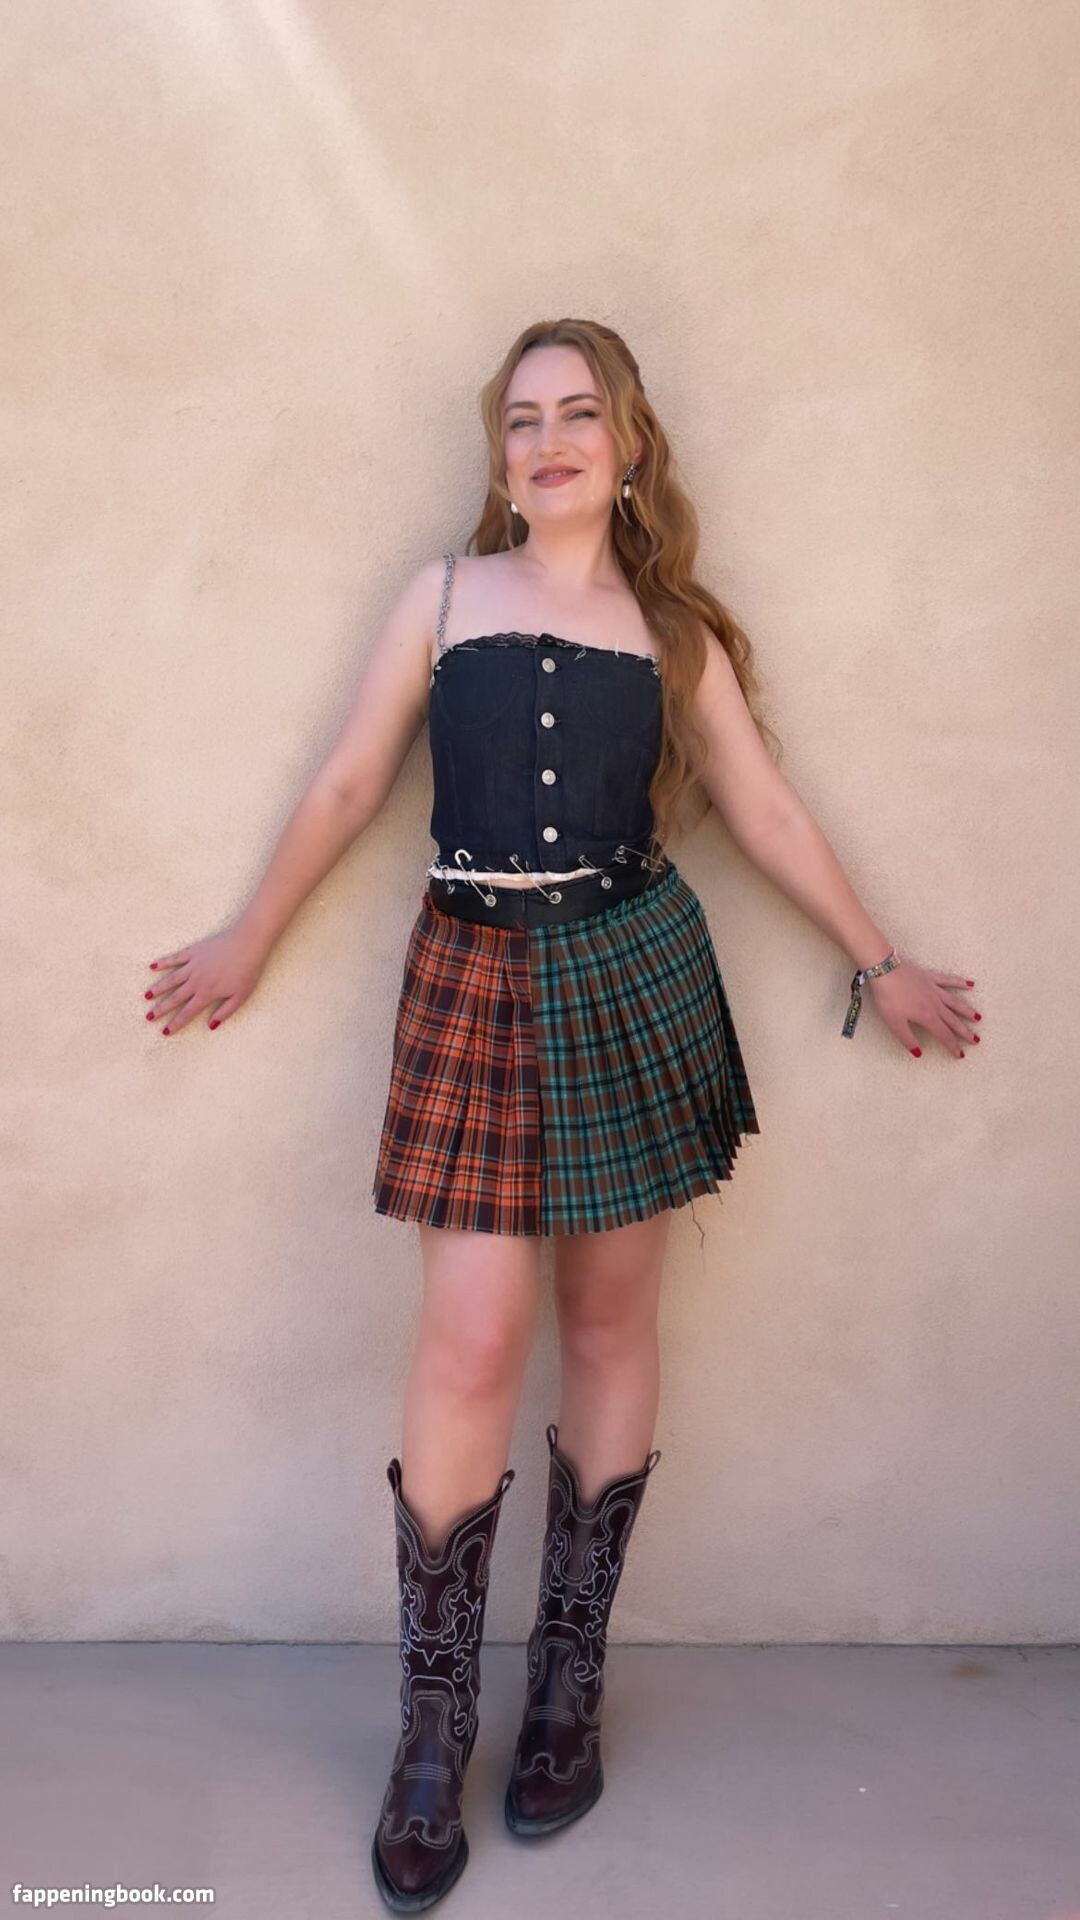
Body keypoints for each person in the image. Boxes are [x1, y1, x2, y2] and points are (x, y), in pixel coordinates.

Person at [142, 319, 981, 1913]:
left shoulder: (673, 635)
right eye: (521, 420)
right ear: (501, 454)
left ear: (631, 444)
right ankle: (431, 1729)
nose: (548, 442)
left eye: (579, 414)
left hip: (630, 972)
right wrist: (249, 933)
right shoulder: (443, 597)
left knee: (606, 1323)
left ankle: (569, 1691)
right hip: (469, 975)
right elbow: (349, 782)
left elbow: (762, 806)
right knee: (469, 1336)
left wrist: (880, 961)